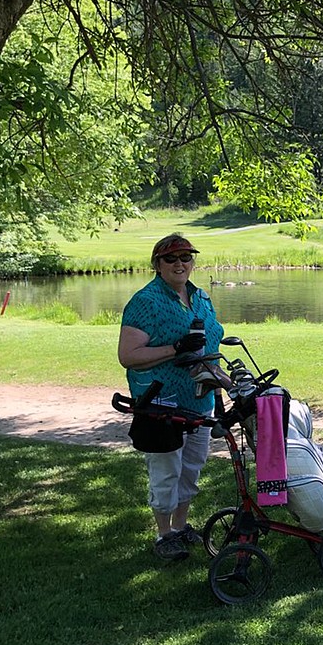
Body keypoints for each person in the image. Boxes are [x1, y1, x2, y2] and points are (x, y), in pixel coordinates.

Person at [118, 234, 225, 560]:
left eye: (186, 257)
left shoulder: (201, 297)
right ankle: (164, 534)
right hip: (161, 404)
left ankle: (180, 526)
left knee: (191, 467)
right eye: (171, 258)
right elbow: (128, 355)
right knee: (166, 471)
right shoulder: (146, 301)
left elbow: (210, 346)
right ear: (157, 264)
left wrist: (221, 384)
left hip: (199, 400)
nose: (179, 263)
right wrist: (175, 348)